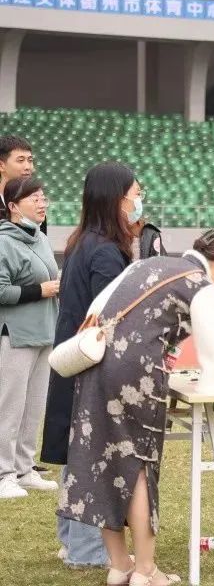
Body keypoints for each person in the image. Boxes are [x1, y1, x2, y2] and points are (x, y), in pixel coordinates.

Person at [59, 229, 214, 586]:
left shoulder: (145, 265)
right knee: (137, 467)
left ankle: (119, 565)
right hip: (135, 374)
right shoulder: (201, 285)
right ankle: (145, 570)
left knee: (103, 462)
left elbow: (97, 309)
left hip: (94, 363)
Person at [41, 162, 142, 568]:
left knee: (77, 455)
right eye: (135, 194)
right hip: (92, 369)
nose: (138, 201)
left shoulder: (82, 241)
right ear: (116, 198)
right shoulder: (104, 252)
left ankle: (72, 541)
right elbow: (110, 320)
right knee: (93, 458)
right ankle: (88, 550)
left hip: (74, 362)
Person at [0, 177, 60, 499]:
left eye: (43, 197)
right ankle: (3, 473)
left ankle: (24, 469)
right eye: (34, 198)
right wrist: (39, 290)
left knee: (33, 407)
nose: (41, 203)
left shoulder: (41, 238)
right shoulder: (4, 241)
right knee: (9, 407)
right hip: (16, 335)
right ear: (13, 206)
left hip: (44, 332)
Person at [0, 136, 44, 236]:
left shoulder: (37, 206)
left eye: (30, 160)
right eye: (20, 160)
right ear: (1, 166)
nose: (28, 167)